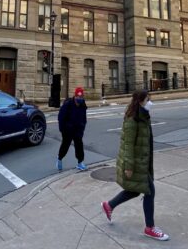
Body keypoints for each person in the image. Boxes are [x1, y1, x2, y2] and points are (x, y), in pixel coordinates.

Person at [101, 90, 169, 241]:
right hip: (136, 163)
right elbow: (128, 145)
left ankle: (109, 205)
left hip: (142, 161)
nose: (150, 102)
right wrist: (129, 166)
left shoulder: (143, 115)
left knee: (135, 190)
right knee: (149, 191)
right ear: (140, 101)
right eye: (148, 99)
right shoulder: (133, 119)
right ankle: (150, 228)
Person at [57, 87, 88, 171]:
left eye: (81, 97)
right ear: (75, 96)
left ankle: (80, 162)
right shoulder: (68, 104)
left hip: (78, 129)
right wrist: (62, 129)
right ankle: (59, 158)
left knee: (79, 145)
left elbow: (84, 118)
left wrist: (82, 127)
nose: (79, 99)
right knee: (65, 145)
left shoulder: (83, 105)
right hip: (67, 130)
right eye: (78, 97)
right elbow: (60, 117)